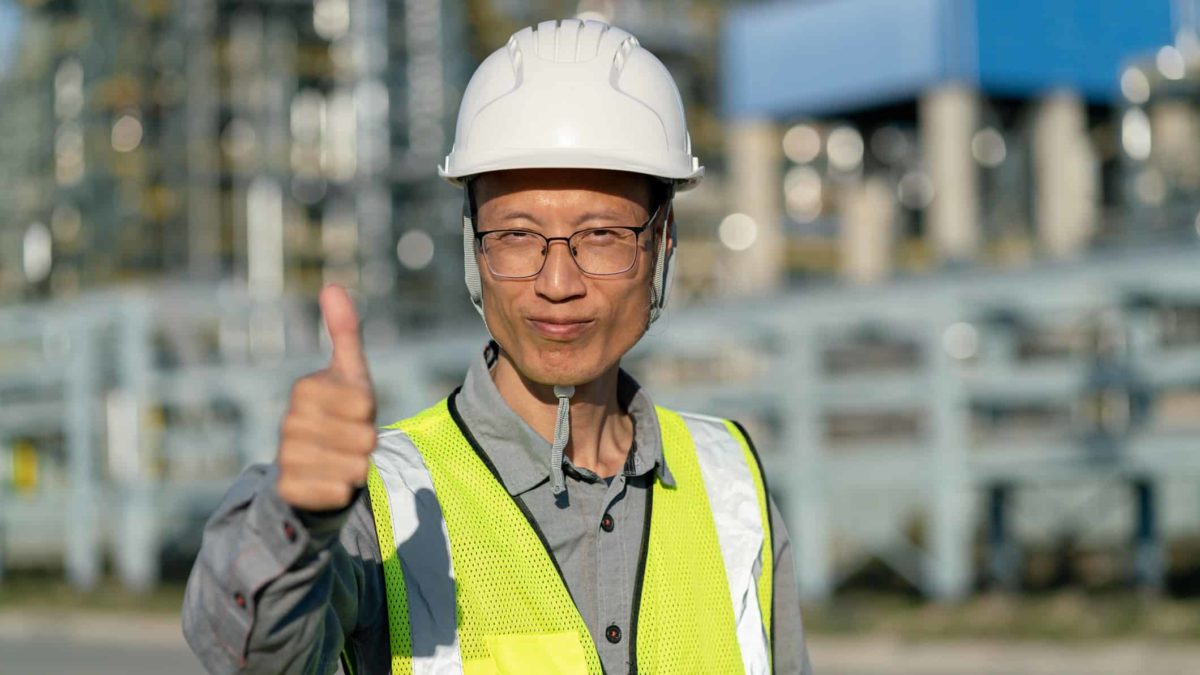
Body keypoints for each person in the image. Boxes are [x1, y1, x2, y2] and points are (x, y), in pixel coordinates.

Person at [182, 19, 812, 675]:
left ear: (663, 243)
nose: (557, 283)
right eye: (516, 235)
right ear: (472, 246)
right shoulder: (384, 502)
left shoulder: (731, 485)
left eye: (601, 235)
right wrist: (289, 520)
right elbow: (246, 651)